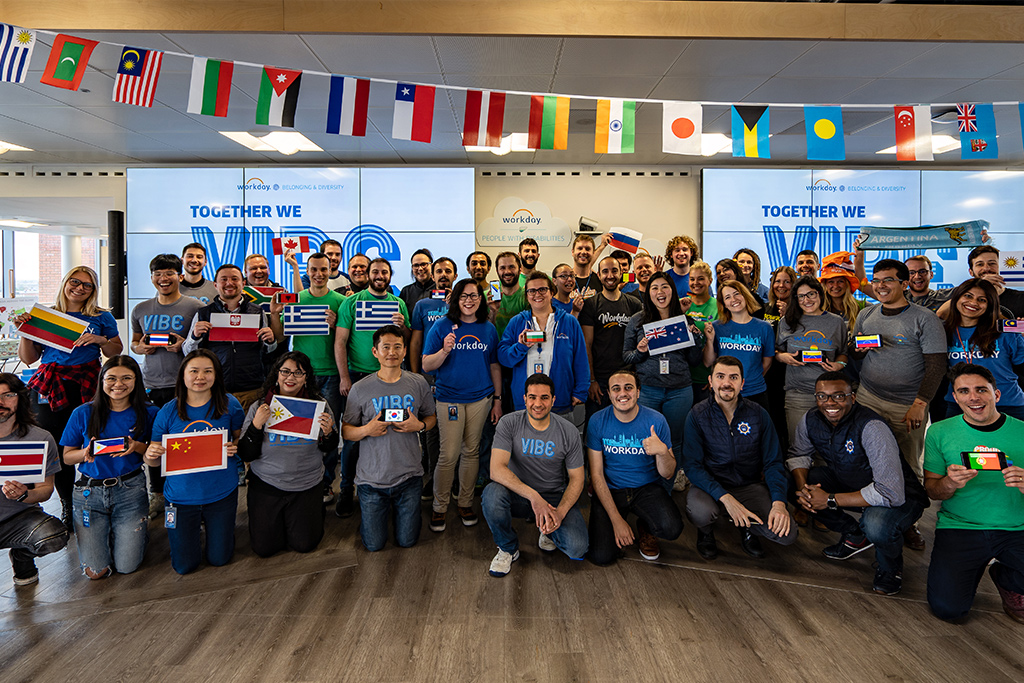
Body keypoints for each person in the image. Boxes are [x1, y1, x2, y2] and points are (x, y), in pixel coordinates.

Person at [788, 371, 928, 595]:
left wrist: (830, 500)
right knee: (793, 483)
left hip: (900, 498)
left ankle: (890, 568)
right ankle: (854, 535)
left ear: (852, 398)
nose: (830, 403)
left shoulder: (872, 427)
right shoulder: (811, 419)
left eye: (838, 396)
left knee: (877, 525)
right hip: (852, 483)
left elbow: (891, 493)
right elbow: (799, 454)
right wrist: (805, 490)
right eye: (822, 396)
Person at [15, 265, 122, 531]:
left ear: (93, 290)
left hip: (88, 384)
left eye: (87, 285)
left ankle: (97, 497)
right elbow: (28, 358)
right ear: (65, 282)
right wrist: (26, 332)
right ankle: (67, 504)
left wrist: (99, 339)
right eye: (75, 282)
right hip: (52, 385)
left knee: (92, 440)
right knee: (57, 444)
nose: (80, 288)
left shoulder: (102, 316)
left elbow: (116, 350)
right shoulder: (46, 315)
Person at [923, 363, 1024, 623]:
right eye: (964, 391)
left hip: (1017, 528)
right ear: (954, 398)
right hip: (960, 527)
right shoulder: (939, 432)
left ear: (996, 395)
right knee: (949, 610)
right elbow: (933, 491)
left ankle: (1007, 577)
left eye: (981, 390)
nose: (973, 397)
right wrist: (950, 483)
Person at [683, 356, 797, 560]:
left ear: (742, 383)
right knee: (700, 512)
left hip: (748, 485)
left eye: (733, 377)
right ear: (710, 382)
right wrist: (726, 499)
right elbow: (692, 466)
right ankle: (706, 532)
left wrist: (779, 502)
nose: (726, 383)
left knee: (786, 534)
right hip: (710, 485)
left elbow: (773, 462)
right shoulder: (697, 415)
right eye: (720, 376)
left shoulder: (759, 414)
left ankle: (748, 528)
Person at [144, 350, 244, 575]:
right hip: (180, 497)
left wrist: (235, 445)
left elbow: (239, 438)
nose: (201, 377)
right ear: (183, 376)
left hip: (221, 492)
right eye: (194, 371)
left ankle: (218, 530)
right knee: (184, 566)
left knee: (220, 559)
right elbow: (152, 457)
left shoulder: (230, 404)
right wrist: (151, 456)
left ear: (216, 375)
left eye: (208, 371)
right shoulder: (168, 410)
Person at [60, 356, 157, 579]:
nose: (118, 384)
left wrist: (136, 446)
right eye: (111, 378)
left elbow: (155, 453)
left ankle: (135, 533)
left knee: (126, 567)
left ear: (136, 380)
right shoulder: (82, 413)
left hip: (130, 490)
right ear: (102, 380)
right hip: (88, 493)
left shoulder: (150, 412)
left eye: (126, 378)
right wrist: (84, 454)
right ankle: (114, 533)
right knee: (96, 572)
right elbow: (67, 457)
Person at [482, 373, 588, 577]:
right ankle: (507, 548)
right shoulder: (509, 422)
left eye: (544, 397)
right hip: (518, 494)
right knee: (492, 495)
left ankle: (548, 530)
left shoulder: (568, 431)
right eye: (532, 397)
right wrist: (533, 497)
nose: (537, 403)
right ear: (524, 398)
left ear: (553, 400)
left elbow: (577, 478)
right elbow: (496, 469)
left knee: (577, 548)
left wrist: (560, 512)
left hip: (552, 497)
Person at [342, 326, 436, 551]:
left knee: (407, 541)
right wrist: (367, 430)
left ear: (405, 351)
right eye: (386, 347)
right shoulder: (360, 388)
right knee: (374, 545)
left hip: (409, 478)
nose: (391, 352)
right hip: (371, 481)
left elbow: (431, 417)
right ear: (375, 352)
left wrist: (419, 426)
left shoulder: (418, 383)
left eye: (397, 347)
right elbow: (346, 431)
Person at [850, 259, 946, 480]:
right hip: (868, 398)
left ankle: (908, 510)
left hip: (907, 405)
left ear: (904, 284)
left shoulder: (924, 318)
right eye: (876, 281)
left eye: (888, 280)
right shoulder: (866, 314)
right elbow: (854, 352)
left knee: (908, 465)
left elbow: (936, 365)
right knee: (866, 455)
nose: (880, 286)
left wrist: (920, 403)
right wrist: (859, 347)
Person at [238, 352, 337, 557]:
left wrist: (328, 433)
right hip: (267, 484)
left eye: (298, 373)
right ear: (276, 374)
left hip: (306, 483)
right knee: (264, 549)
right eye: (285, 371)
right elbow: (246, 453)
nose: (290, 378)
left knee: (305, 544)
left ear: (306, 378)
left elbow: (329, 448)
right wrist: (256, 426)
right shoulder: (260, 406)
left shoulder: (319, 406)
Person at [422, 279, 501, 532]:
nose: (469, 300)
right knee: (448, 455)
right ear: (455, 299)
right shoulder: (441, 327)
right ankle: (440, 506)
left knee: (472, 452)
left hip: (481, 399)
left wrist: (498, 400)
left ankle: (465, 502)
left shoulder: (488, 328)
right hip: (449, 400)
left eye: (474, 296)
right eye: (464, 296)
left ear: (481, 299)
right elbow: (426, 365)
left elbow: (494, 365)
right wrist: (444, 350)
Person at [334, 258, 411, 517]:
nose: (380, 275)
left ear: (390, 276)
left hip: (391, 377)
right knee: (354, 437)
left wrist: (403, 326)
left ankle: (389, 487)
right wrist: (344, 377)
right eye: (375, 272)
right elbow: (340, 341)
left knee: (388, 433)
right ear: (367, 275)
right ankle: (346, 489)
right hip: (358, 377)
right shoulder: (351, 303)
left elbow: (406, 340)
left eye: (384, 272)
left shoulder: (398, 303)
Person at [130, 253, 204, 517]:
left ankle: (190, 493)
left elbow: (201, 345)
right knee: (155, 442)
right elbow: (134, 342)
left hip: (185, 386)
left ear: (179, 276)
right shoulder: (140, 309)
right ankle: (157, 494)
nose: (164, 279)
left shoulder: (194, 307)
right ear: (152, 278)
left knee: (187, 441)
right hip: (151, 385)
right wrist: (141, 347)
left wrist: (183, 344)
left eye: (169, 273)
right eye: (158, 274)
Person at [586, 370, 682, 564]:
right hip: (611, 489)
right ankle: (619, 519)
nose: (623, 393)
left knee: (672, 528)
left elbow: (669, 473)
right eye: (616, 389)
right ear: (610, 393)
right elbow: (596, 475)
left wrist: (663, 451)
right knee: (601, 557)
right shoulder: (597, 421)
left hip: (646, 489)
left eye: (628, 388)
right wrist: (616, 520)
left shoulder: (656, 421)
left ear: (638, 392)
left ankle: (645, 525)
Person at [274, 251, 346, 504]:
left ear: (331, 270)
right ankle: (302, 480)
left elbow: (347, 337)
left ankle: (326, 483)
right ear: (307, 272)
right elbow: (281, 335)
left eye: (323, 269)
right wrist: (275, 314)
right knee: (301, 429)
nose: (318, 274)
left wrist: (337, 323)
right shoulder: (296, 299)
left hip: (332, 374)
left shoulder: (339, 301)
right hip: (301, 377)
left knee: (328, 430)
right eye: (313, 270)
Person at [622, 272, 706, 482]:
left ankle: (669, 484)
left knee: (674, 440)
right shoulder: (638, 321)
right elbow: (626, 356)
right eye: (654, 288)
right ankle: (647, 484)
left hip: (679, 391)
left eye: (665, 287)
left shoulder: (684, 320)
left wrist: (697, 338)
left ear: (672, 291)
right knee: (647, 438)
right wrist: (641, 351)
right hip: (649, 389)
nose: (660, 292)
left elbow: (694, 361)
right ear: (648, 293)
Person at [0, 372, 70, 586]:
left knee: (54, 536)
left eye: (8, 395)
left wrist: (24, 495)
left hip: (19, 516)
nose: (0, 402)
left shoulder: (39, 438)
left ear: (21, 398)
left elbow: (46, 489)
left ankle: (21, 555)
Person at [183, 264, 280, 411]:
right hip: (216, 389)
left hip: (251, 389)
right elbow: (187, 352)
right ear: (215, 285)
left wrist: (270, 341)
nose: (229, 283)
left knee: (250, 432)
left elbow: (268, 351)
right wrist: (194, 337)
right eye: (224, 279)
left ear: (243, 283)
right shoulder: (203, 313)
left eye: (235, 279)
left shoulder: (257, 311)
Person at [498, 273, 589, 424]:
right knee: (525, 447)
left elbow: (580, 359)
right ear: (526, 295)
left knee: (561, 446)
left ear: (552, 292)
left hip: (560, 400)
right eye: (532, 291)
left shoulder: (569, 322)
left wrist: (581, 391)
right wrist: (520, 347)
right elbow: (503, 357)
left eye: (542, 289)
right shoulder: (517, 322)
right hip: (524, 403)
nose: (537, 294)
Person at [775, 276, 849, 444]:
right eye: (801, 296)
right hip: (797, 394)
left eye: (811, 294)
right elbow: (775, 351)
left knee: (829, 446)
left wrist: (839, 364)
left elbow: (844, 353)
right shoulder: (787, 321)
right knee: (798, 445)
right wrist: (782, 356)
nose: (806, 300)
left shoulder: (836, 322)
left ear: (820, 294)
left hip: (830, 395)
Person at [942, 278, 1024, 421]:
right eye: (967, 296)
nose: (973, 303)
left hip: (1007, 404)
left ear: (990, 305)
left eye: (982, 300)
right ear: (956, 298)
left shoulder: (1006, 329)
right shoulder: (942, 330)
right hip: (961, 404)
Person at [580, 256, 643, 424]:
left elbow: (640, 343)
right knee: (596, 426)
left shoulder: (634, 304)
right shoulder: (591, 304)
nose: (610, 275)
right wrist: (591, 380)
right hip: (600, 380)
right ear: (599, 275)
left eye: (614, 271)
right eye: (605, 271)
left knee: (628, 424)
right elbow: (587, 344)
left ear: (621, 273)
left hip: (628, 377)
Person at [703, 280, 774, 408]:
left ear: (745, 295)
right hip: (724, 392)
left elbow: (767, 360)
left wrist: (750, 379)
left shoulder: (764, 327)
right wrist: (709, 339)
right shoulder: (716, 327)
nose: (733, 299)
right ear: (723, 303)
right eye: (727, 297)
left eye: (736, 294)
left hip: (755, 392)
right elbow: (708, 362)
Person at [856, 252, 949, 313]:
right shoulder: (895, 295)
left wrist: (940, 313)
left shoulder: (943, 296)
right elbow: (861, 283)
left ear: (931, 274)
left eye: (922, 271)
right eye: (911, 272)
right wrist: (859, 256)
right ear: (905, 278)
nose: (917, 276)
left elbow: (963, 290)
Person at [686, 261, 718, 405]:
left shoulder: (719, 307)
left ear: (710, 281)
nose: (695, 283)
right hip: (683, 379)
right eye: (692, 279)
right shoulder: (682, 304)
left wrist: (715, 377)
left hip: (706, 378)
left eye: (701, 279)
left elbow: (721, 345)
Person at [819, 252, 864, 337]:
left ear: (847, 284)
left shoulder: (863, 308)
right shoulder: (817, 309)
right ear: (825, 285)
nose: (835, 286)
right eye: (831, 282)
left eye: (840, 281)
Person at [491, 252, 528, 338]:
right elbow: (484, 331)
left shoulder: (528, 297)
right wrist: (493, 312)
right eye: (502, 268)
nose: (507, 272)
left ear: (520, 269)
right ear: (497, 271)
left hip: (520, 349)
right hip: (494, 349)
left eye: (511, 267)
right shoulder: (488, 297)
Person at [398, 248, 435, 314]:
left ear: (432, 266)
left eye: (424, 264)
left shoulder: (441, 289)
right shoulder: (406, 292)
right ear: (412, 268)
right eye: (416, 265)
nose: (420, 268)